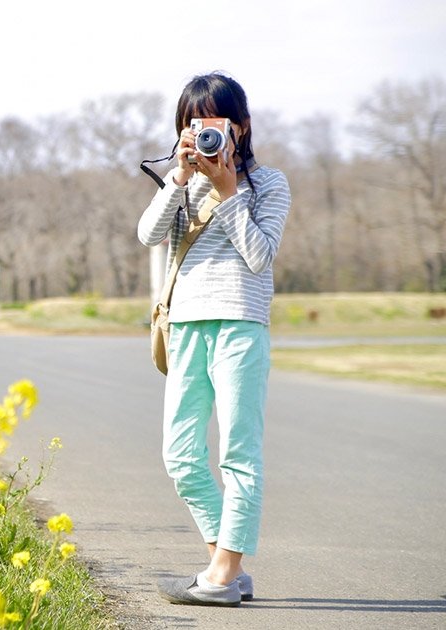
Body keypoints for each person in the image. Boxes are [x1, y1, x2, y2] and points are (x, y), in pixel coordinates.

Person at [137, 72, 291, 607]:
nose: (203, 135)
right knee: (180, 454)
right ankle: (224, 563)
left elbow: (259, 257)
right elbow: (147, 235)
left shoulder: (269, 183)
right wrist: (179, 180)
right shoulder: (183, 183)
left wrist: (229, 193)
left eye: (213, 124)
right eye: (191, 124)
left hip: (240, 327)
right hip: (184, 327)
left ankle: (223, 575)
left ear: (241, 127)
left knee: (237, 455)